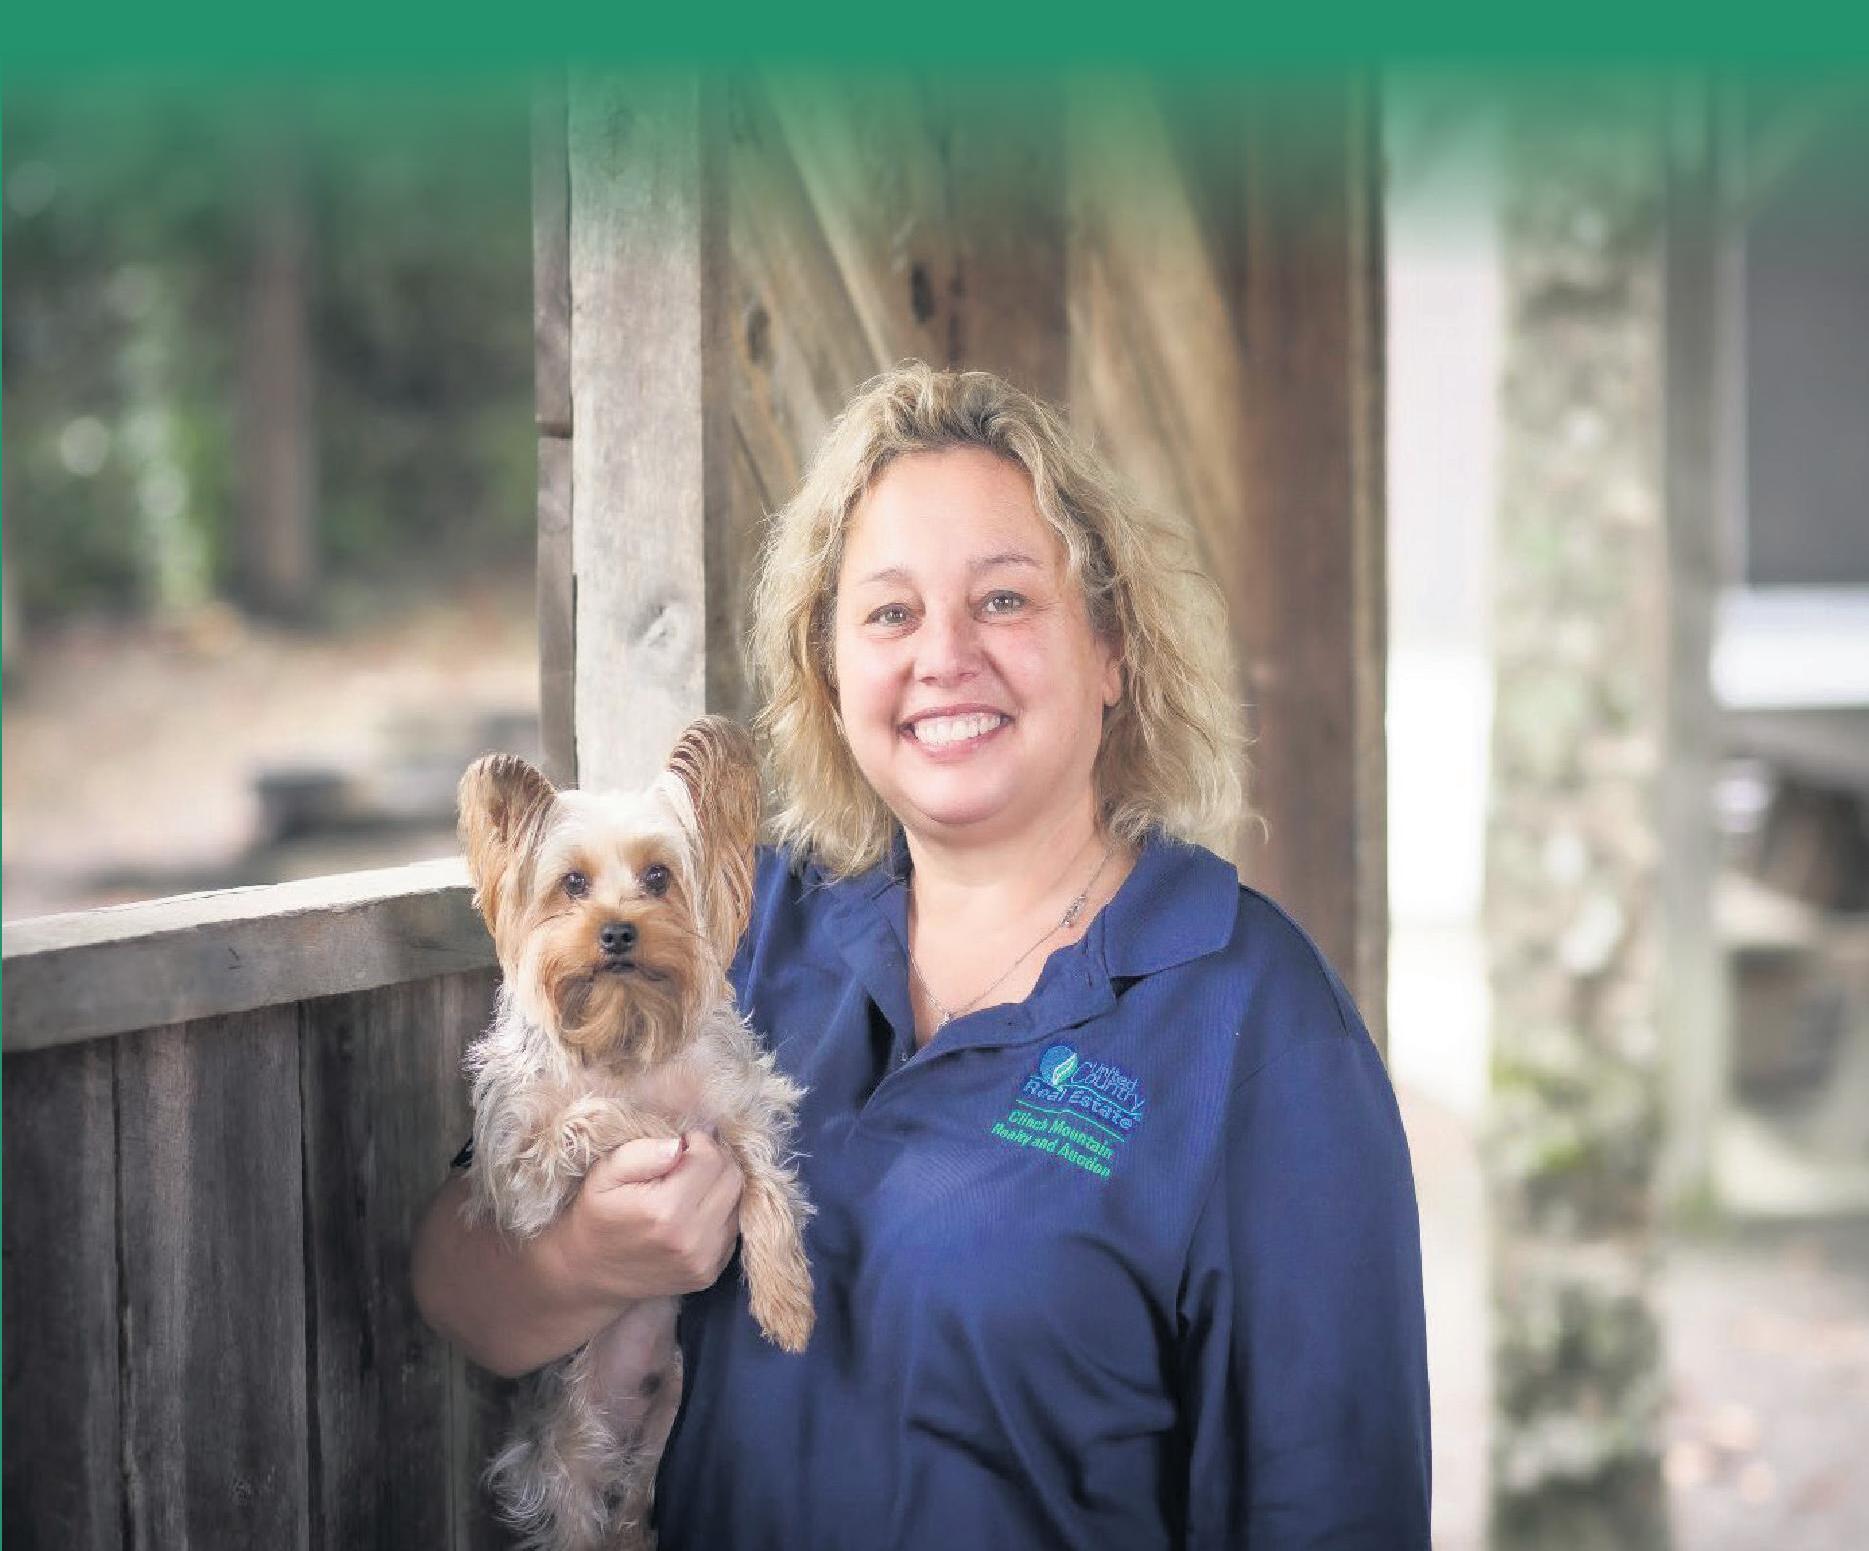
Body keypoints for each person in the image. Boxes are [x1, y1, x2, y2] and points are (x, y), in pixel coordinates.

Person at [413, 362, 1431, 1547]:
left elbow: (1333, 1500)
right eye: (890, 614)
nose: (944, 655)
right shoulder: (734, 930)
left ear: (1112, 650)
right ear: (831, 674)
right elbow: (457, 1285)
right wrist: (584, 1261)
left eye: (1003, 600)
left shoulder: (1254, 1019)